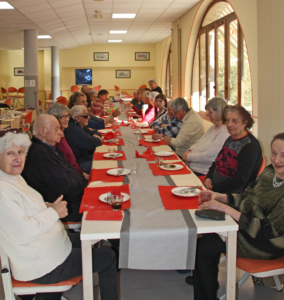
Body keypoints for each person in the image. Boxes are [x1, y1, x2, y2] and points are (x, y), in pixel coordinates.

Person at [0, 132, 118, 300]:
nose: (17, 158)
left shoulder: (12, 178)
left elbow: (25, 208)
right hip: (42, 263)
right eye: (10, 153)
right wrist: (53, 212)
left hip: (51, 244)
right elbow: (22, 232)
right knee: (108, 258)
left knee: (93, 237)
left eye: (20, 152)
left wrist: (48, 206)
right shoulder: (3, 193)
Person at [188, 132, 284, 300]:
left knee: (204, 245)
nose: (277, 160)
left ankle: (206, 289)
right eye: (274, 153)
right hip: (249, 226)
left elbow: (266, 231)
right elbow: (247, 197)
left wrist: (227, 209)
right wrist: (221, 197)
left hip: (267, 244)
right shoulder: (270, 173)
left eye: (283, 155)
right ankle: (206, 283)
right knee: (204, 232)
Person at [204, 104, 262, 194]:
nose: (229, 124)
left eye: (234, 121)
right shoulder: (230, 139)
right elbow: (216, 162)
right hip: (215, 188)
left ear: (245, 123)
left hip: (232, 194)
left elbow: (240, 180)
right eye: (228, 120)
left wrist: (214, 188)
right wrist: (208, 178)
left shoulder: (250, 146)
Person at [181, 97, 229, 176]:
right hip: (193, 167)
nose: (207, 114)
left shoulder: (224, 132)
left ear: (220, 112)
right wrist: (189, 151)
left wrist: (189, 157)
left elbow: (212, 156)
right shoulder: (213, 127)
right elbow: (199, 143)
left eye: (210, 112)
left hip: (203, 172)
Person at [47, 103, 88, 180]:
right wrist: (82, 175)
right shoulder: (56, 140)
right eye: (62, 117)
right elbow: (66, 165)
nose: (67, 119)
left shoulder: (63, 133)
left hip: (77, 171)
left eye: (67, 116)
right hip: (73, 176)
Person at [65, 105, 102, 174]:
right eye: (86, 116)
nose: (89, 117)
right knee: (103, 164)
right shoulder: (74, 130)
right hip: (80, 163)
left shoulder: (78, 124)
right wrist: (94, 137)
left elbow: (95, 133)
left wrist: (94, 136)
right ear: (78, 118)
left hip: (85, 157)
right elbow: (96, 142)